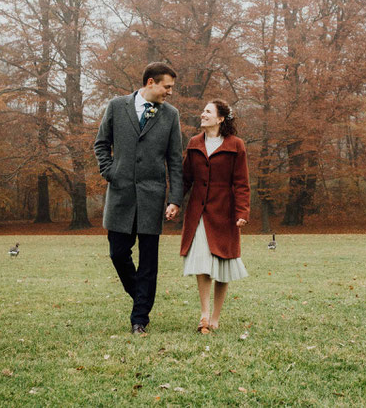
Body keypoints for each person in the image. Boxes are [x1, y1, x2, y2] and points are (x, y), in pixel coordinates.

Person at [94, 62, 184, 335]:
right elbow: (101, 143)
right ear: (150, 83)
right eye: (167, 86)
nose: (169, 92)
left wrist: (175, 199)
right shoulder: (116, 106)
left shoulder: (171, 115)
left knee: (148, 261)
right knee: (118, 253)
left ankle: (139, 319)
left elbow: (175, 160)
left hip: (152, 198)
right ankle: (142, 297)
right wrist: (111, 172)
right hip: (120, 196)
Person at [180, 99, 250, 334]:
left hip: (225, 212)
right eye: (203, 111)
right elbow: (185, 179)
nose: (203, 114)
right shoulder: (194, 143)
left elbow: (241, 183)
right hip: (198, 212)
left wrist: (242, 212)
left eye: (208, 112)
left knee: (222, 263)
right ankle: (204, 315)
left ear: (220, 119)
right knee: (201, 260)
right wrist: (174, 203)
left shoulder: (236, 145)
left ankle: (216, 317)